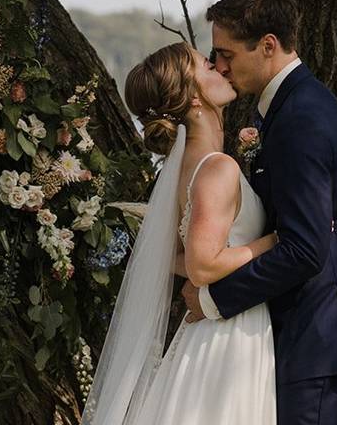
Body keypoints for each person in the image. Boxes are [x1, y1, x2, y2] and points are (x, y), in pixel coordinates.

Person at [181, 0, 337, 425]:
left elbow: (306, 249)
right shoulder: (290, 108)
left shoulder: (301, 120)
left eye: (227, 54)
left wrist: (214, 300)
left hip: (318, 340)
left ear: (268, 46)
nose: (219, 65)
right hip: (309, 339)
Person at [81, 40, 278, 425]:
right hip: (227, 336)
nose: (220, 68)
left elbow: (174, 257)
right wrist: (272, 242)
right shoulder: (215, 168)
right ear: (193, 99)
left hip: (217, 325)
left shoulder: (187, 166)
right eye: (207, 65)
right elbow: (203, 265)